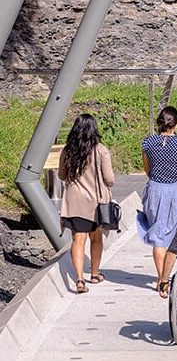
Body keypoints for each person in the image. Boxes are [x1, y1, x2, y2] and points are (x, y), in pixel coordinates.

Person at [137, 105, 177, 288]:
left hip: (155, 189)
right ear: (176, 124)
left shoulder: (147, 143)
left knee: (158, 234)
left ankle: (161, 279)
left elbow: (147, 170)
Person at [58, 114, 115, 294]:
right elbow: (110, 179)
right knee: (96, 238)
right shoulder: (101, 150)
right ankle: (95, 273)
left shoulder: (67, 150)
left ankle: (80, 280)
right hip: (96, 203)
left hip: (74, 202)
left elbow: (61, 175)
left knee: (78, 239)